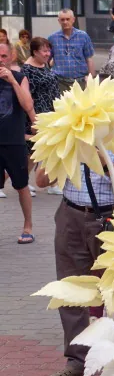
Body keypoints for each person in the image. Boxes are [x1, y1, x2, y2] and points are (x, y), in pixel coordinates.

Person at [37, 129, 114, 376]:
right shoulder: (69, 131)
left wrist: (103, 160)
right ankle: (78, 358)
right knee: (70, 288)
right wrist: (61, 151)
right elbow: (42, 181)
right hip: (71, 215)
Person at [0, 42, 35, 243]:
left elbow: (28, 105)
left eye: (4, 56)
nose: (0, 60)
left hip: (13, 141)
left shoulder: (20, 78)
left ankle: (28, 226)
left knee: (21, 185)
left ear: (11, 57)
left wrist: (12, 81)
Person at [22, 37, 61, 197]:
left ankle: (51, 181)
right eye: (44, 51)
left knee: (50, 149)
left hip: (50, 111)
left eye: (48, 50)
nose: (47, 54)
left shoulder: (44, 65)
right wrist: (33, 118)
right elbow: (26, 96)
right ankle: (23, 182)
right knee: (32, 151)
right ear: (35, 52)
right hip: (36, 114)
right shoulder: (27, 70)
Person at [48, 8, 95, 92]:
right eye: (62, 19)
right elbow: (46, 59)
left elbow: (89, 59)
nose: (65, 22)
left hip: (80, 81)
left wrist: (91, 78)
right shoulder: (52, 38)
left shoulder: (83, 36)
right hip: (59, 82)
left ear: (73, 19)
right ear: (58, 21)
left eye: (67, 19)